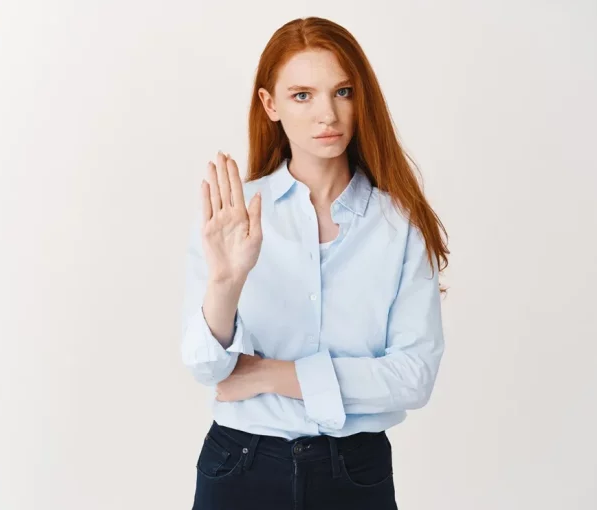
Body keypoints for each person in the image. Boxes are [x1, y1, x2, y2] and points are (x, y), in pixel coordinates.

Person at [180, 16, 449, 510]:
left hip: (356, 472)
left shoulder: (399, 224)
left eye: (342, 91)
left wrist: (269, 375)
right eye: (302, 94)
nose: (327, 114)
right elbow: (207, 368)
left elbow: (413, 376)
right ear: (270, 104)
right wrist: (226, 280)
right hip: (239, 466)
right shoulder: (234, 215)